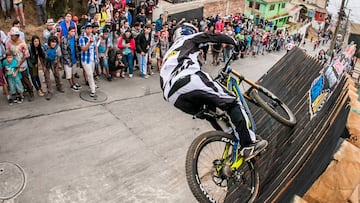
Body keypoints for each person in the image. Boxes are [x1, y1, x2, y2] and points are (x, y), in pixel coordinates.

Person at [160, 24, 268, 161]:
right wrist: (234, 42)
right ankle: (248, 144)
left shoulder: (168, 55)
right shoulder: (188, 39)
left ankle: (231, 139)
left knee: (211, 114)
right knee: (232, 102)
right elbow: (211, 37)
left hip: (172, 97)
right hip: (188, 79)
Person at [5, 27, 34, 101]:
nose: (11, 37)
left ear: (17, 35)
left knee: (25, 78)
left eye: (12, 35)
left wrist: (20, 63)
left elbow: (26, 55)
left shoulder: (22, 43)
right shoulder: (8, 42)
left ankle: (31, 92)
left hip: (22, 63)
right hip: (13, 64)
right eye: (10, 35)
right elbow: (7, 51)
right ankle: (20, 92)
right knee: (17, 79)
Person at [79, 23, 98, 97]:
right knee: (89, 74)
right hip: (85, 59)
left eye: (90, 28)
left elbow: (95, 46)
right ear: (85, 29)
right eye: (88, 28)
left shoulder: (93, 36)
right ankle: (93, 89)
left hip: (92, 58)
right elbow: (83, 49)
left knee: (91, 73)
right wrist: (89, 42)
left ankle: (92, 84)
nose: (89, 30)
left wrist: (97, 56)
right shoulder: (82, 38)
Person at [43, 35, 64, 100]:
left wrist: (57, 66)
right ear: (49, 42)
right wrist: (43, 66)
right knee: (47, 77)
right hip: (46, 62)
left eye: (55, 42)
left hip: (54, 61)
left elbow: (58, 57)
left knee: (57, 74)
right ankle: (50, 91)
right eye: (52, 42)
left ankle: (59, 86)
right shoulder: (45, 47)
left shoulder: (57, 48)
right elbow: (41, 56)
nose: (53, 43)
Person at [61, 26, 81, 91]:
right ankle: (71, 85)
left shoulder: (75, 38)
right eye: (72, 31)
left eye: (74, 31)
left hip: (74, 58)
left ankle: (74, 83)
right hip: (67, 60)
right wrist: (68, 61)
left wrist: (77, 58)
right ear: (68, 31)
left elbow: (76, 49)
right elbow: (64, 51)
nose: (73, 33)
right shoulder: (64, 39)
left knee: (73, 72)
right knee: (69, 74)